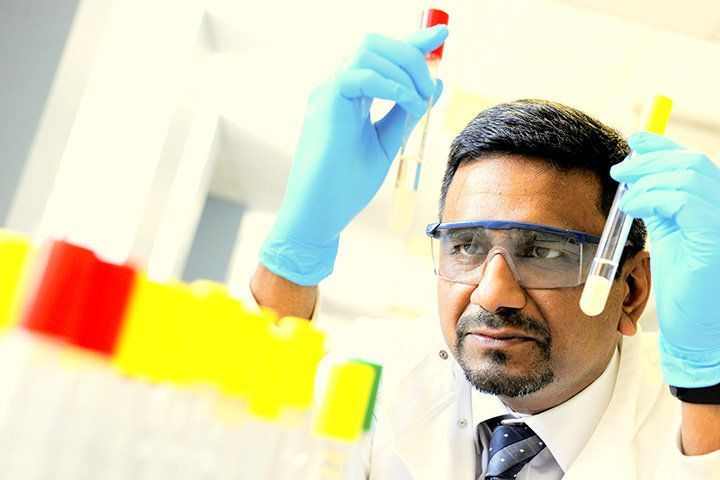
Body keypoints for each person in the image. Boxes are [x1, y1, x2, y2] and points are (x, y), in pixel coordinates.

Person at [249, 25, 720, 479]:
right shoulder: (379, 372)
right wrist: (292, 254)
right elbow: (246, 443)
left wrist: (706, 385)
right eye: (466, 246)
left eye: (545, 252)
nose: (492, 295)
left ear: (631, 290)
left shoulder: (691, 421)